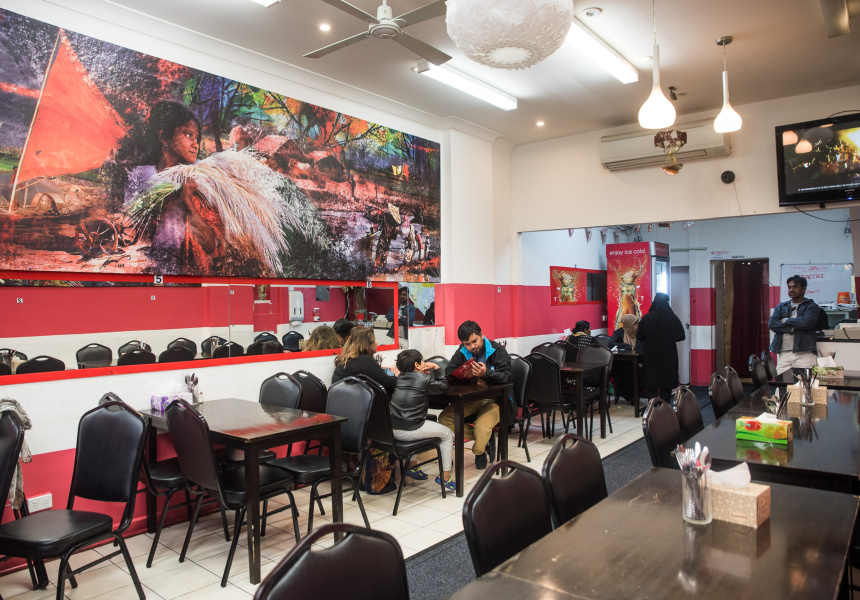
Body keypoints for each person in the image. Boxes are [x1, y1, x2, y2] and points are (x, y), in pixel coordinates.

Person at [440, 320, 512, 470]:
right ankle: (485, 439)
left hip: (495, 400)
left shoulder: (497, 350)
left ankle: (480, 449)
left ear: (481, 335)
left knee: (481, 426)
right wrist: (467, 377)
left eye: (475, 341)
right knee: (444, 419)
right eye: (467, 344)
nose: (472, 346)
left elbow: (507, 377)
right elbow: (449, 372)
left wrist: (487, 374)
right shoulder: (462, 351)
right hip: (472, 398)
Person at [390, 349, 455, 491]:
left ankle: (413, 467)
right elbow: (443, 387)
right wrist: (436, 368)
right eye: (422, 361)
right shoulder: (424, 379)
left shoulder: (400, 377)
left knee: (423, 423)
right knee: (448, 434)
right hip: (409, 430)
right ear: (417, 365)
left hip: (392, 430)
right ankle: (445, 477)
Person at [636, 293, 685, 401]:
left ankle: (653, 406)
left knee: (651, 383)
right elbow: (681, 336)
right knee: (666, 384)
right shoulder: (673, 318)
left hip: (651, 355)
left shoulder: (647, 318)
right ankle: (665, 407)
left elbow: (639, 336)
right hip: (669, 355)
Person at [768, 275, 821, 374]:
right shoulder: (781, 306)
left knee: (804, 382)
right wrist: (792, 329)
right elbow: (772, 324)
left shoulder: (811, 306)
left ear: (804, 289)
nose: (791, 290)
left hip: (805, 353)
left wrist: (787, 321)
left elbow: (805, 322)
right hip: (784, 353)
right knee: (781, 382)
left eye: (795, 287)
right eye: (789, 287)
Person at [331, 326, 398, 393]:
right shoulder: (364, 360)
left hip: (340, 396)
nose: (376, 343)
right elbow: (387, 382)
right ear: (366, 344)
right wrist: (401, 378)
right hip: (350, 397)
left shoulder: (349, 358)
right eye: (373, 340)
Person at [609, 313, 641, 405]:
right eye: (635, 324)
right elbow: (611, 344)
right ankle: (631, 396)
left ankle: (635, 394)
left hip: (638, 361)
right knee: (626, 372)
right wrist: (628, 346)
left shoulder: (639, 333)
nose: (637, 326)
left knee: (642, 371)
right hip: (623, 362)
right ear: (629, 324)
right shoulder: (619, 333)